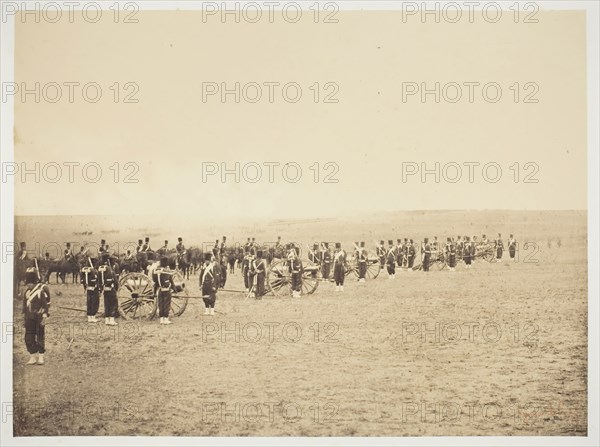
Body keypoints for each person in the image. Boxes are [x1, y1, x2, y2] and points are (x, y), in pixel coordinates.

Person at [22, 265, 50, 365]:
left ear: (34, 283)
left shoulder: (39, 292)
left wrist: (44, 317)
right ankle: (32, 355)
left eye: (31, 283)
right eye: (28, 283)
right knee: (29, 337)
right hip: (29, 318)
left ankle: (41, 356)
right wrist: (24, 318)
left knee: (40, 336)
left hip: (39, 317)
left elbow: (45, 306)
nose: (29, 285)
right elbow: (24, 307)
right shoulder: (26, 293)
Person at [154, 256, 177, 325]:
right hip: (167, 291)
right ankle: (166, 319)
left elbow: (156, 283)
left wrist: (154, 292)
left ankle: (161, 319)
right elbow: (171, 281)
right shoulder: (167, 272)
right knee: (166, 305)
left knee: (161, 305)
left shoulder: (157, 272)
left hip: (160, 291)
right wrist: (174, 289)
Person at [98, 253, 118, 325]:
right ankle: (112, 320)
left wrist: (101, 289)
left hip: (105, 290)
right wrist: (116, 289)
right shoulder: (111, 271)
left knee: (106, 304)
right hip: (111, 289)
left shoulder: (100, 270)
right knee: (113, 304)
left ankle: (107, 320)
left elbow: (99, 281)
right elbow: (116, 282)